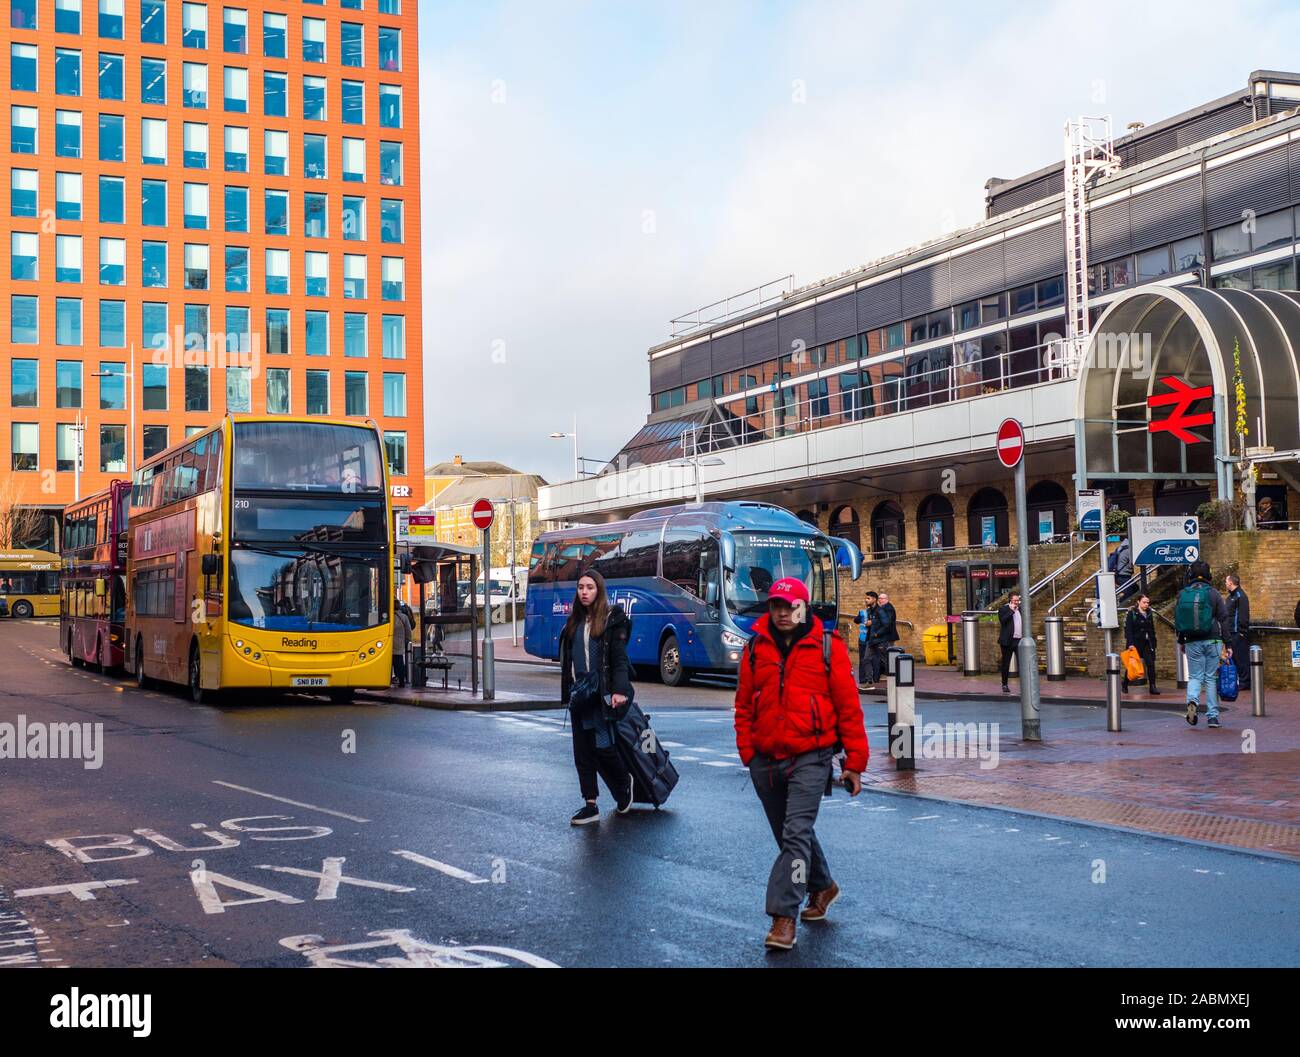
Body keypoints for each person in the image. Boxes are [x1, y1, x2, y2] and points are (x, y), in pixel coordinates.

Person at [734, 577, 868, 952]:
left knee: (794, 837)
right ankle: (823, 885)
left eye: (790, 605)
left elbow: (848, 708)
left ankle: (783, 918)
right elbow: (743, 705)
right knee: (792, 835)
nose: (782, 612)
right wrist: (748, 751)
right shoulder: (755, 649)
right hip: (766, 758)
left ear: (804, 607)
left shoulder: (828, 647)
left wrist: (854, 762)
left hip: (812, 755)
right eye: (776, 605)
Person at [559, 569, 635, 826]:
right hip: (580, 695)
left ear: (598, 590)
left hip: (600, 694)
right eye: (580, 587)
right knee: (582, 752)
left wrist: (619, 690)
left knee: (603, 747)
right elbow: (569, 661)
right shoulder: (574, 623)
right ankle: (590, 804)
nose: (584, 592)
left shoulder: (611, 620)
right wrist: (568, 690)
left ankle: (624, 782)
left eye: (589, 587)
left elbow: (619, 659)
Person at [1175, 560, 1229, 729]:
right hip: (1213, 639)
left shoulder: (1183, 593)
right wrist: (1228, 643)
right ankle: (1212, 717)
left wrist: (1182, 640)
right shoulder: (1213, 593)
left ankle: (1192, 701)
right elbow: (1224, 618)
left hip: (1192, 640)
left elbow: (1180, 620)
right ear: (1208, 575)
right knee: (1211, 678)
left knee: (1195, 676)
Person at [1122, 594, 1159, 695]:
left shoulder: (1149, 613)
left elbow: (1152, 628)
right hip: (1135, 644)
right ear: (1138, 602)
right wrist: (1130, 643)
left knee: (1150, 664)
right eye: (1144, 602)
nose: (1146, 604)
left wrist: (1154, 641)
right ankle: (1125, 683)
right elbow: (1128, 630)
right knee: (1132, 666)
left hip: (1147, 643)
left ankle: (1152, 686)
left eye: (1147, 602)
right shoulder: (1132, 613)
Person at [866, 590, 899, 689]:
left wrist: (877, 633)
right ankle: (883, 675)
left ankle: (892, 675)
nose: (880, 600)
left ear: (887, 599)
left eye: (882, 598)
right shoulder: (881, 608)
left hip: (887, 636)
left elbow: (887, 624)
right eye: (879, 598)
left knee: (886, 657)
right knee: (883, 657)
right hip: (882, 637)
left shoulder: (887, 608)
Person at [1223, 574, 1251, 691]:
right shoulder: (1230, 597)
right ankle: (1238, 681)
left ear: (1231, 583)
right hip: (1230, 633)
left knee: (1241, 658)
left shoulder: (1240, 596)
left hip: (1238, 633)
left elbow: (1243, 615)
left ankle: (1245, 682)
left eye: (1226, 581)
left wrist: (1241, 632)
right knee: (1233, 658)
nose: (1225, 583)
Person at [997, 592, 1023, 693]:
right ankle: (1004, 684)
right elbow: (1003, 621)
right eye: (1015, 600)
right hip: (1007, 641)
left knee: (1022, 663)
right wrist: (1011, 611)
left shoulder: (1020, 609)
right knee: (1006, 664)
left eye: (1018, 600)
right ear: (1010, 600)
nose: (1017, 602)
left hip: (1019, 640)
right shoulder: (1004, 609)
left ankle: (1024, 685)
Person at [852, 591, 878, 687]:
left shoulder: (877, 611)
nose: (866, 600)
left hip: (873, 639)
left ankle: (869, 679)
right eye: (866, 598)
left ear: (874, 599)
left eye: (868, 598)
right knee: (865, 659)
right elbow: (856, 620)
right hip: (864, 638)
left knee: (869, 659)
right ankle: (865, 679)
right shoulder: (863, 612)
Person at [392, 602, 413, 687]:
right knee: (399, 663)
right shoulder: (404, 617)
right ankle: (401, 681)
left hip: (389, 644)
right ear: (399, 607)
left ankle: (388, 679)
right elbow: (408, 631)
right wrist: (408, 640)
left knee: (389, 664)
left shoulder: (388, 616)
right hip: (399, 644)